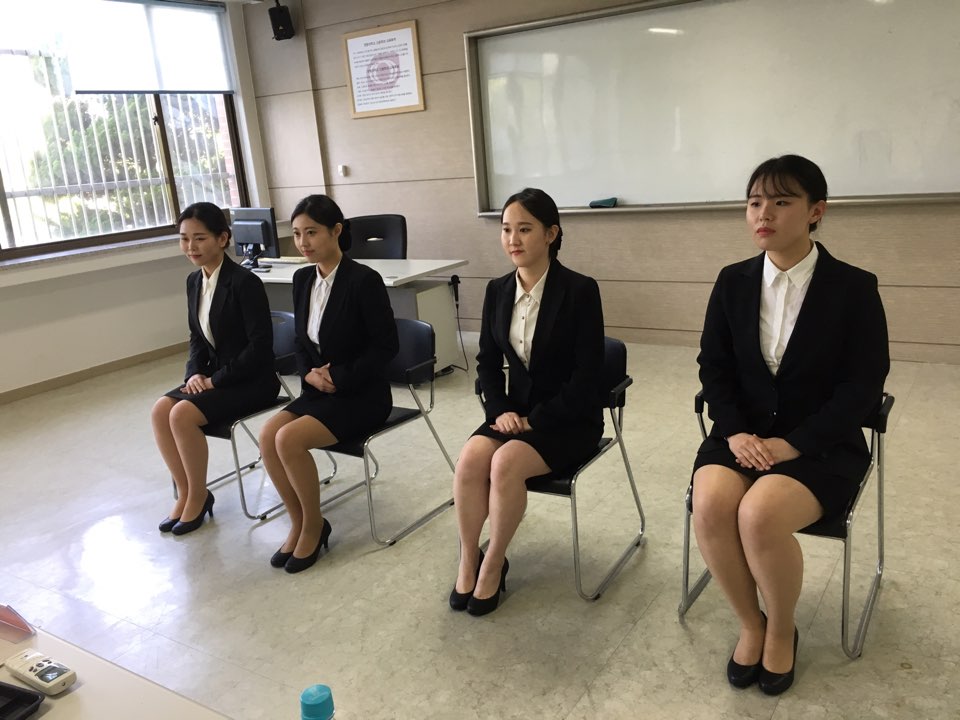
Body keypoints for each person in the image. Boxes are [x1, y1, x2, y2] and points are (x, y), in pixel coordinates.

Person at [692, 155, 889, 695]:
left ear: (815, 211)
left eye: (781, 202)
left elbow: (863, 386)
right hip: (742, 434)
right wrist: (735, 431)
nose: (765, 214)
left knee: (758, 516)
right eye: (755, 202)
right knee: (710, 506)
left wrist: (794, 444)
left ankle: (781, 628)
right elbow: (714, 366)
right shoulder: (732, 281)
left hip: (822, 444)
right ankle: (750, 623)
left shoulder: (853, 287)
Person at [451, 187, 605, 616]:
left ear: (551, 234)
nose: (512, 240)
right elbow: (486, 362)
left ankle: (494, 562)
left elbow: (587, 376)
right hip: (512, 414)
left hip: (568, 419)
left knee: (504, 464)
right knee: (470, 460)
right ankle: (469, 556)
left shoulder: (580, 290)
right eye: (506, 230)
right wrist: (499, 410)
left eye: (524, 229)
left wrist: (535, 419)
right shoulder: (497, 290)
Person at [258, 195, 398, 574]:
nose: (303, 242)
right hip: (318, 389)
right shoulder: (303, 278)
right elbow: (301, 340)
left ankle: (314, 525)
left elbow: (386, 347)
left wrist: (338, 376)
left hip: (363, 395)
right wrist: (308, 373)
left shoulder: (363, 280)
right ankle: (300, 521)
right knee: (268, 435)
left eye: (312, 233)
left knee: (288, 440)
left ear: (336, 231)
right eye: (297, 234)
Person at [152, 202, 279, 536]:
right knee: (161, 410)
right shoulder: (194, 281)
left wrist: (215, 380)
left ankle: (198, 495)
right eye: (184, 239)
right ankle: (186, 492)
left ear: (222, 239)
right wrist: (194, 374)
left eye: (200, 238)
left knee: (181, 415)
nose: (190, 247)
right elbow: (197, 337)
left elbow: (259, 347)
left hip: (252, 380)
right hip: (214, 377)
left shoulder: (244, 282)